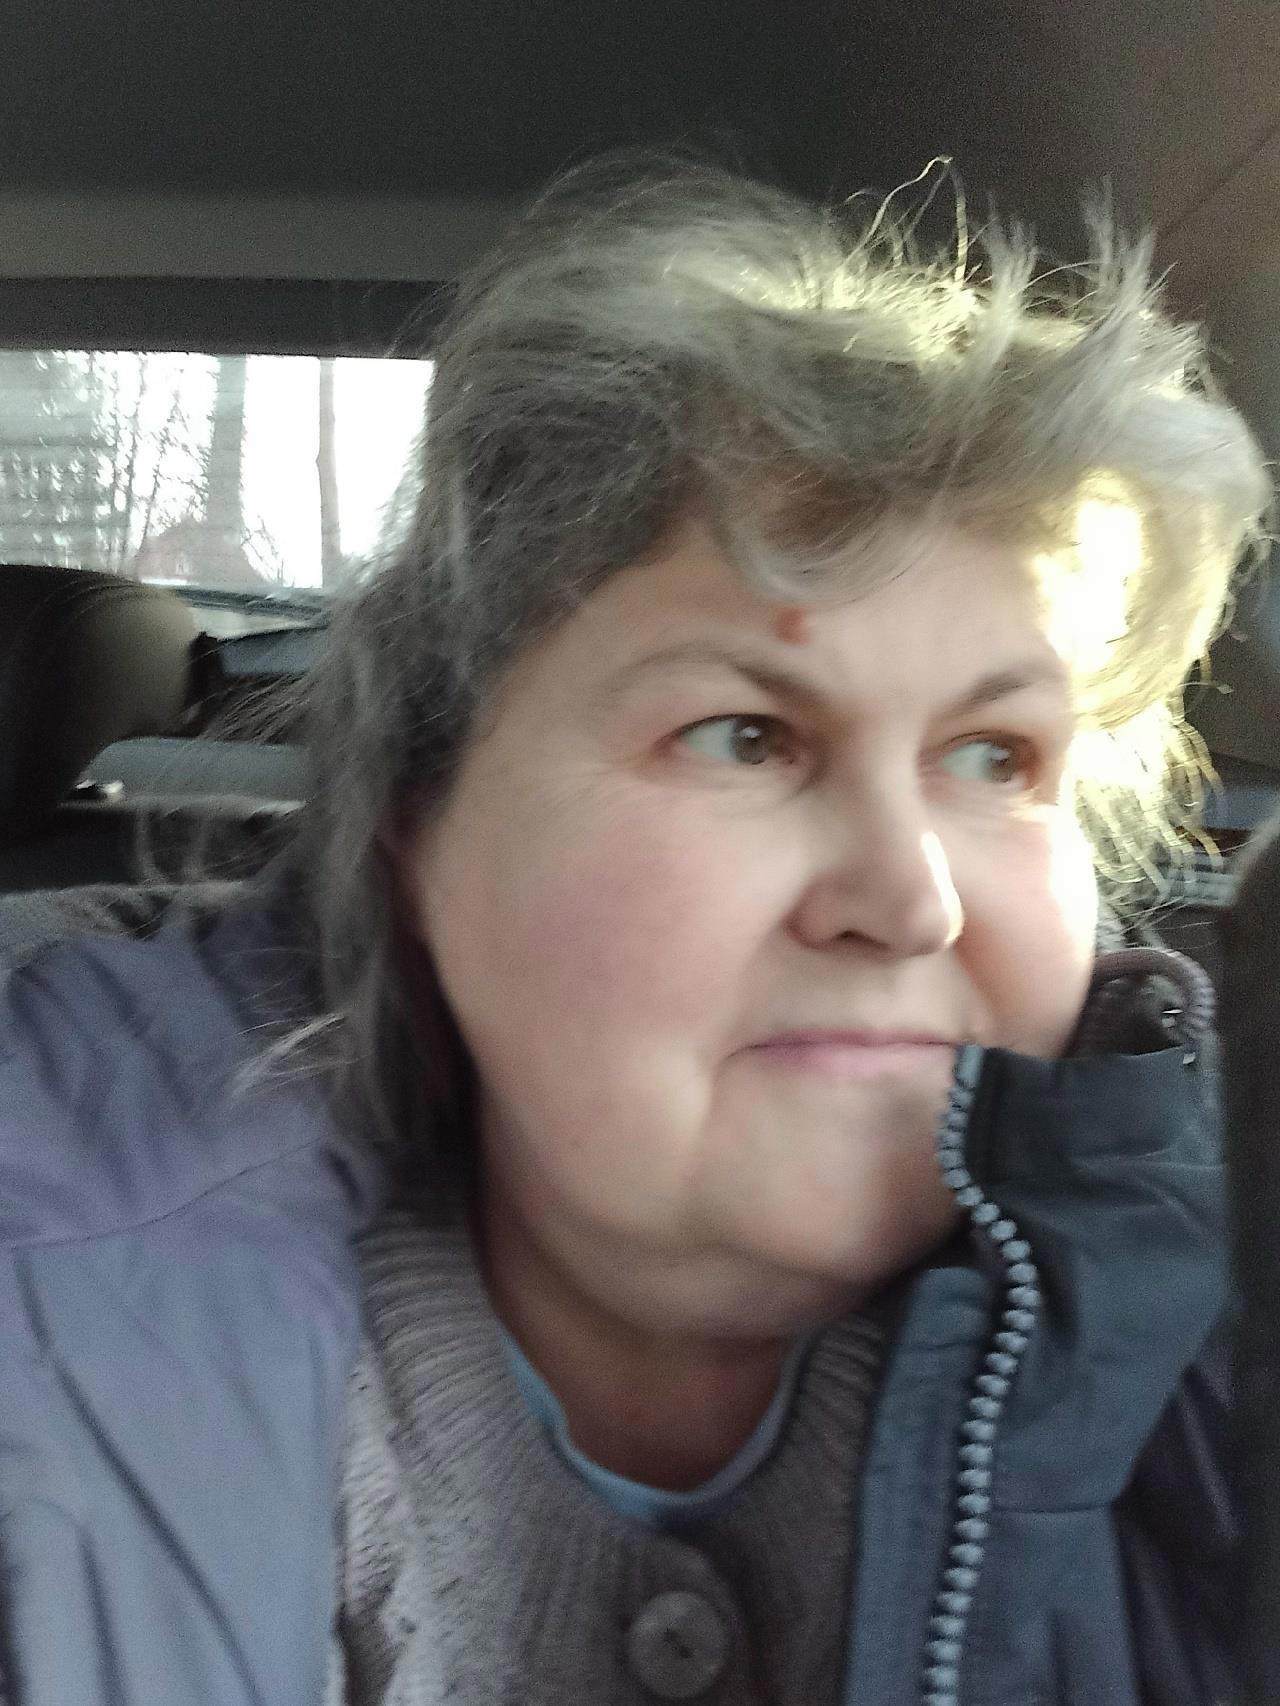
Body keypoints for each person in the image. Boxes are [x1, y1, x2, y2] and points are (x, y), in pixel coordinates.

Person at [0, 160, 1270, 1706]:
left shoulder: (1236, 1374)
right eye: (744, 735)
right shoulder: (39, 1346)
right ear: (413, 831)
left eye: (997, 758)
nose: (912, 899)